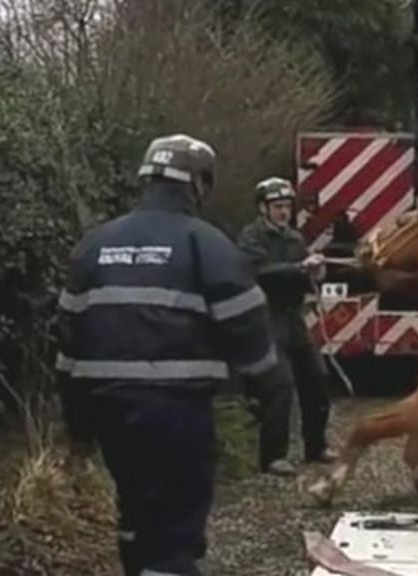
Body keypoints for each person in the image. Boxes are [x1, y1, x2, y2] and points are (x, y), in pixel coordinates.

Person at [54, 134, 281, 576]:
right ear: (198, 183)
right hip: (175, 413)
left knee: (136, 516)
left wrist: (77, 429)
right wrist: (266, 389)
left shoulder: (95, 245)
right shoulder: (206, 244)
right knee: (174, 532)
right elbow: (247, 326)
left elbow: (67, 346)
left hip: (109, 410)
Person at [236, 177, 338, 476]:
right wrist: (297, 269)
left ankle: (316, 446)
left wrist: (316, 273)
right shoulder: (251, 238)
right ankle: (273, 456)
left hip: (292, 316)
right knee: (279, 385)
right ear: (263, 208)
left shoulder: (294, 239)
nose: (283, 212)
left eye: (287, 207)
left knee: (317, 377)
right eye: (277, 207)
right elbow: (256, 273)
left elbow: (302, 275)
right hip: (265, 317)